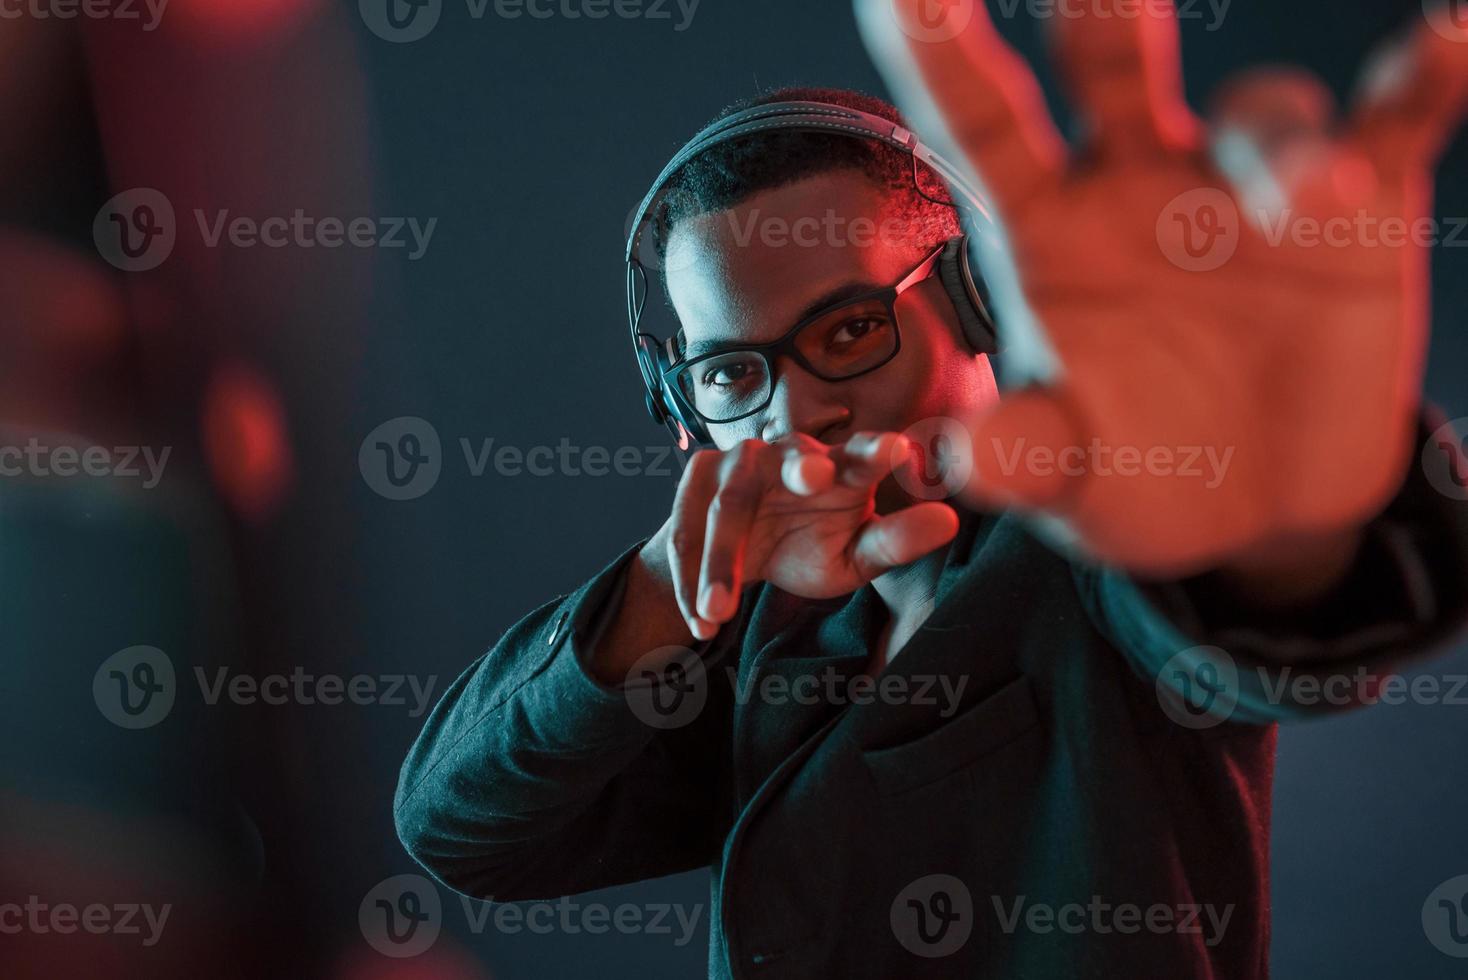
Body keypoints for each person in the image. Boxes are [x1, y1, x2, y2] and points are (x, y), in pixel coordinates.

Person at [395, 2, 1468, 976]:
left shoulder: (1094, 559)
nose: (795, 412)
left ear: (976, 302)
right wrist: (663, 596)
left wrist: (1285, 527)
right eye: (730, 372)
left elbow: (1260, 626)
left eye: (851, 329)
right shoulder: (756, 641)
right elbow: (462, 827)